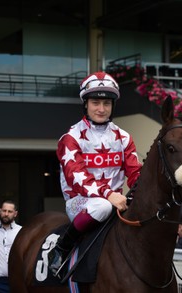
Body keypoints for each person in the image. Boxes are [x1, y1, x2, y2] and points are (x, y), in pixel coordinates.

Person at [48, 71, 142, 276]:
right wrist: (109, 195)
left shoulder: (124, 137)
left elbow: (135, 173)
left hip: (117, 203)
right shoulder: (70, 138)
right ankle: (62, 248)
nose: (101, 109)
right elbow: (77, 177)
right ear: (86, 104)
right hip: (81, 202)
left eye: (107, 103)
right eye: (95, 103)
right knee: (102, 205)